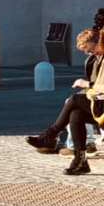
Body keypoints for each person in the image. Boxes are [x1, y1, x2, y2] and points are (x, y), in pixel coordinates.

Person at [25, 27, 104, 177]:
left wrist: (85, 84)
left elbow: (97, 85)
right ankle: (80, 162)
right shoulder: (94, 60)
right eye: (86, 51)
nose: (89, 53)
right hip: (99, 103)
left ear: (98, 42)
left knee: (74, 100)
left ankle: (50, 136)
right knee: (76, 113)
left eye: (90, 49)